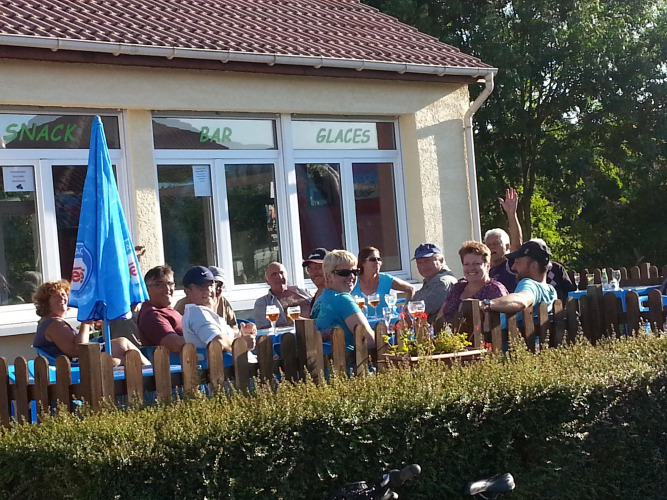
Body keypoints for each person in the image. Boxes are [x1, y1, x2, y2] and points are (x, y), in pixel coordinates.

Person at [32, 280, 150, 366]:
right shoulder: (54, 324)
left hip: (77, 363)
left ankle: (149, 376)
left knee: (123, 358)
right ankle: (152, 374)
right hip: (77, 366)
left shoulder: (49, 323)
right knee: (122, 344)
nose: (62, 298)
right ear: (45, 302)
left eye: (64, 294)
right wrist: (86, 324)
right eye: (56, 296)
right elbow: (78, 350)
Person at [310, 250, 375, 352]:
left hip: (323, 359)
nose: (351, 277)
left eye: (355, 272)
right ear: (328, 276)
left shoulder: (320, 300)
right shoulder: (343, 299)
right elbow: (369, 340)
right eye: (344, 273)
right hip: (346, 360)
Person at [181, 266, 256, 351]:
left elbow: (227, 339)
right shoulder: (197, 313)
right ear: (188, 292)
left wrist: (243, 334)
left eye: (211, 285)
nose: (208, 290)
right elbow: (218, 341)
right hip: (220, 360)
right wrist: (242, 343)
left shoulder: (206, 312)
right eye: (201, 287)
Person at [480, 240, 557, 316]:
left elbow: (522, 300)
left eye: (517, 262)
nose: (513, 267)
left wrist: (487, 303)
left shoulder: (530, 284)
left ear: (534, 266)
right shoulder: (551, 290)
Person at [439, 241, 508, 323]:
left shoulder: (495, 289)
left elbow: (502, 322)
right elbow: (440, 316)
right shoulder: (458, 287)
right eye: (466, 264)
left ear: (487, 266)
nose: (471, 268)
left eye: (476, 263)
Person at [137, 265, 185, 353]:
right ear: (147, 289)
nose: (167, 289)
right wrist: (204, 336)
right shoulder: (152, 315)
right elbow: (176, 345)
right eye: (159, 285)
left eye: (170, 284)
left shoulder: (166, 310)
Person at [175, 266, 239, 332]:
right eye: (204, 286)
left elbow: (234, 326)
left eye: (220, 286)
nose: (217, 289)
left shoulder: (222, 301)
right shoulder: (184, 306)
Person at [351, 246, 415, 310]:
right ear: (362, 262)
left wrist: (406, 309)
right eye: (372, 259)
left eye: (379, 259)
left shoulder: (386, 279)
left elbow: (411, 289)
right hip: (362, 317)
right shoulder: (353, 281)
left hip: (388, 316)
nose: (377, 262)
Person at [484, 188, 522, 293]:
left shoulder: (511, 265)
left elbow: (517, 244)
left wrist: (511, 214)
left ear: (507, 246)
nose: (491, 247)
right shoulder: (484, 270)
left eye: (496, 243)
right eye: (488, 245)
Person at [252, 262, 311, 329]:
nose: (279, 277)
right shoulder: (262, 303)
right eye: (274, 274)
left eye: (281, 273)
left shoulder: (303, 292)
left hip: (316, 330)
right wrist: (288, 325)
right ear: (267, 280)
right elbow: (263, 330)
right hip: (291, 334)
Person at [411, 243, 458, 323]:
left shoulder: (442, 281)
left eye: (427, 261)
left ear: (441, 260)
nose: (423, 266)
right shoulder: (431, 280)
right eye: (419, 262)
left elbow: (420, 310)